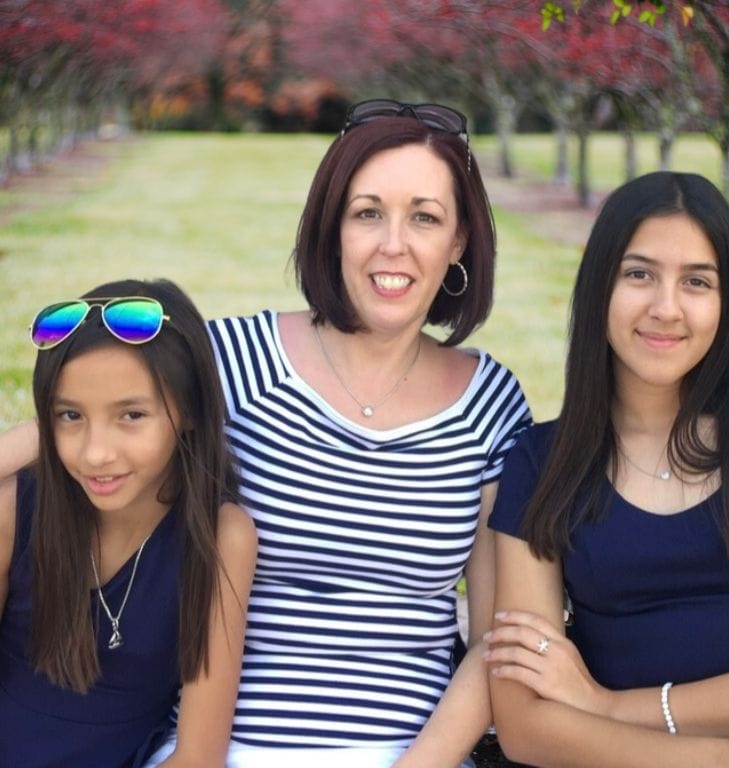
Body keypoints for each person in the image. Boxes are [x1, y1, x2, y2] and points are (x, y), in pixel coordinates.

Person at [0, 101, 531, 766]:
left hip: (402, 748)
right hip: (218, 747)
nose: (393, 244)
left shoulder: (491, 403)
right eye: (367, 213)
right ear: (333, 228)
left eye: (424, 217)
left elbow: (491, 641)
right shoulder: (236, 360)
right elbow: (83, 430)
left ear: (458, 242)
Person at [484, 171, 729, 767]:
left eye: (697, 282)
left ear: (727, 300)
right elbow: (526, 723)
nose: (666, 308)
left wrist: (612, 707)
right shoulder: (540, 465)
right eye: (639, 274)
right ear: (599, 285)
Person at [0, 279, 258, 767]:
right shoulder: (16, 508)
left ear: (188, 412)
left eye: (131, 415)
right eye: (70, 415)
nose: (97, 453)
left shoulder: (221, 537)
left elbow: (198, 757)